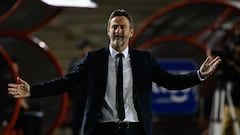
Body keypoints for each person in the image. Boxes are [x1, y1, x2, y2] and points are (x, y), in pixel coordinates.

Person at [7, 9, 221, 135]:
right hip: (102, 130)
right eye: (114, 27)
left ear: (131, 32)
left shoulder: (144, 59)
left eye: (122, 27)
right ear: (108, 30)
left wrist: (199, 75)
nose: (118, 30)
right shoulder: (93, 59)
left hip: (136, 130)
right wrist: (31, 91)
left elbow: (171, 82)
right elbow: (66, 83)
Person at [68, 39, 92, 135]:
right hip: (76, 94)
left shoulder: (93, 60)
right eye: (81, 49)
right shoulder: (74, 62)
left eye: (84, 48)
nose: (83, 50)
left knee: (86, 119)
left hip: (88, 95)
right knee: (75, 120)